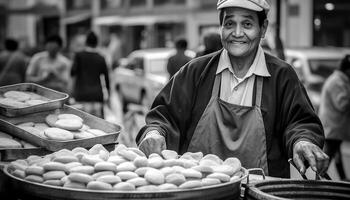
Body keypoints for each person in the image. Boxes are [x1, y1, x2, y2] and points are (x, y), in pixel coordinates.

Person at [136, 0, 329, 178]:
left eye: (247, 24)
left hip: (259, 192)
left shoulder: (282, 76)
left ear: (263, 28)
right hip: (198, 189)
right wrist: (154, 133)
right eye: (229, 24)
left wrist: (303, 140)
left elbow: (300, 122)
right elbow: (163, 117)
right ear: (221, 27)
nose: (237, 33)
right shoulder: (196, 71)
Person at [319, 54, 350, 181]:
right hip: (333, 125)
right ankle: (318, 176)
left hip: (334, 125)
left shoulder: (339, 80)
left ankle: (342, 178)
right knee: (329, 153)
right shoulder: (338, 81)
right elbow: (342, 104)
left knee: (335, 153)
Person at [71, 31, 110, 118]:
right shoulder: (101, 58)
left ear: (86, 42)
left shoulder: (79, 56)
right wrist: (108, 95)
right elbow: (106, 79)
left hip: (81, 95)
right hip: (97, 96)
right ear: (96, 43)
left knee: (82, 124)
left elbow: (72, 73)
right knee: (98, 126)